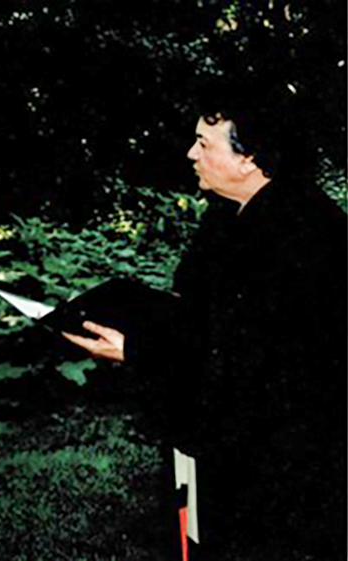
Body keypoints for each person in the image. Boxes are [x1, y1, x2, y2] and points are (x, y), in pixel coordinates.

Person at [62, 83, 347, 560]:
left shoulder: (302, 234)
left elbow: (258, 359)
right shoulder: (229, 218)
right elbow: (201, 321)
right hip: (222, 445)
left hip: (282, 465)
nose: (190, 153)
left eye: (203, 143)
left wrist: (137, 352)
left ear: (249, 157)